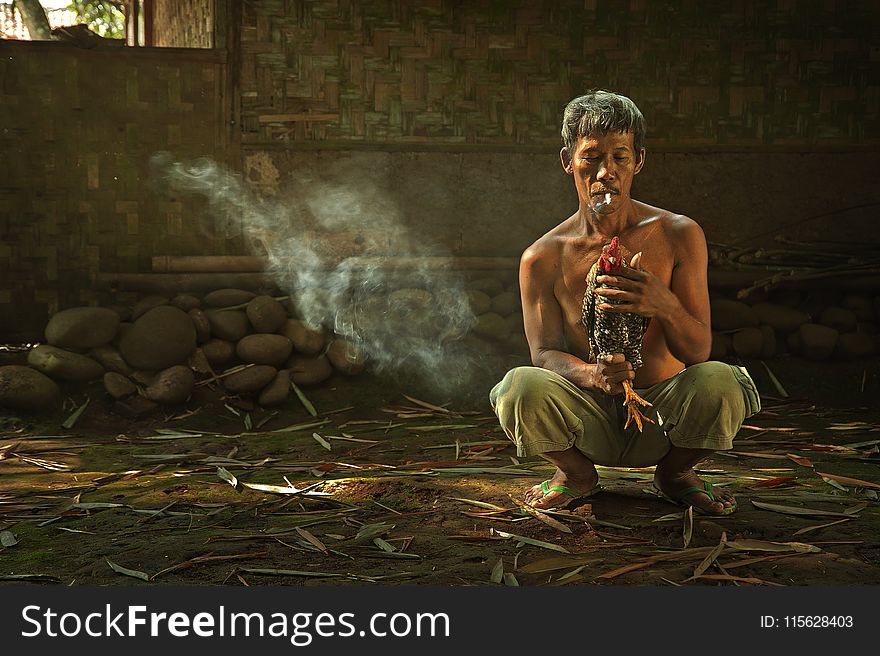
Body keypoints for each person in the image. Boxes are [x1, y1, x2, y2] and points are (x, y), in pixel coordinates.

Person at [490, 90, 760, 516]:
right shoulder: (542, 256)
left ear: (638, 161)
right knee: (519, 386)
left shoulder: (678, 234)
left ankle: (676, 474)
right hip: (587, 417)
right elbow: (542, 353)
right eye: (591, 157)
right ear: (568, 161)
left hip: (662, 417)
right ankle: (575, 473)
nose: (605, 172)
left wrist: (663, 304)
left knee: (720, 382)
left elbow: (698, 352)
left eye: (619, 156)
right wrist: (592, 375)